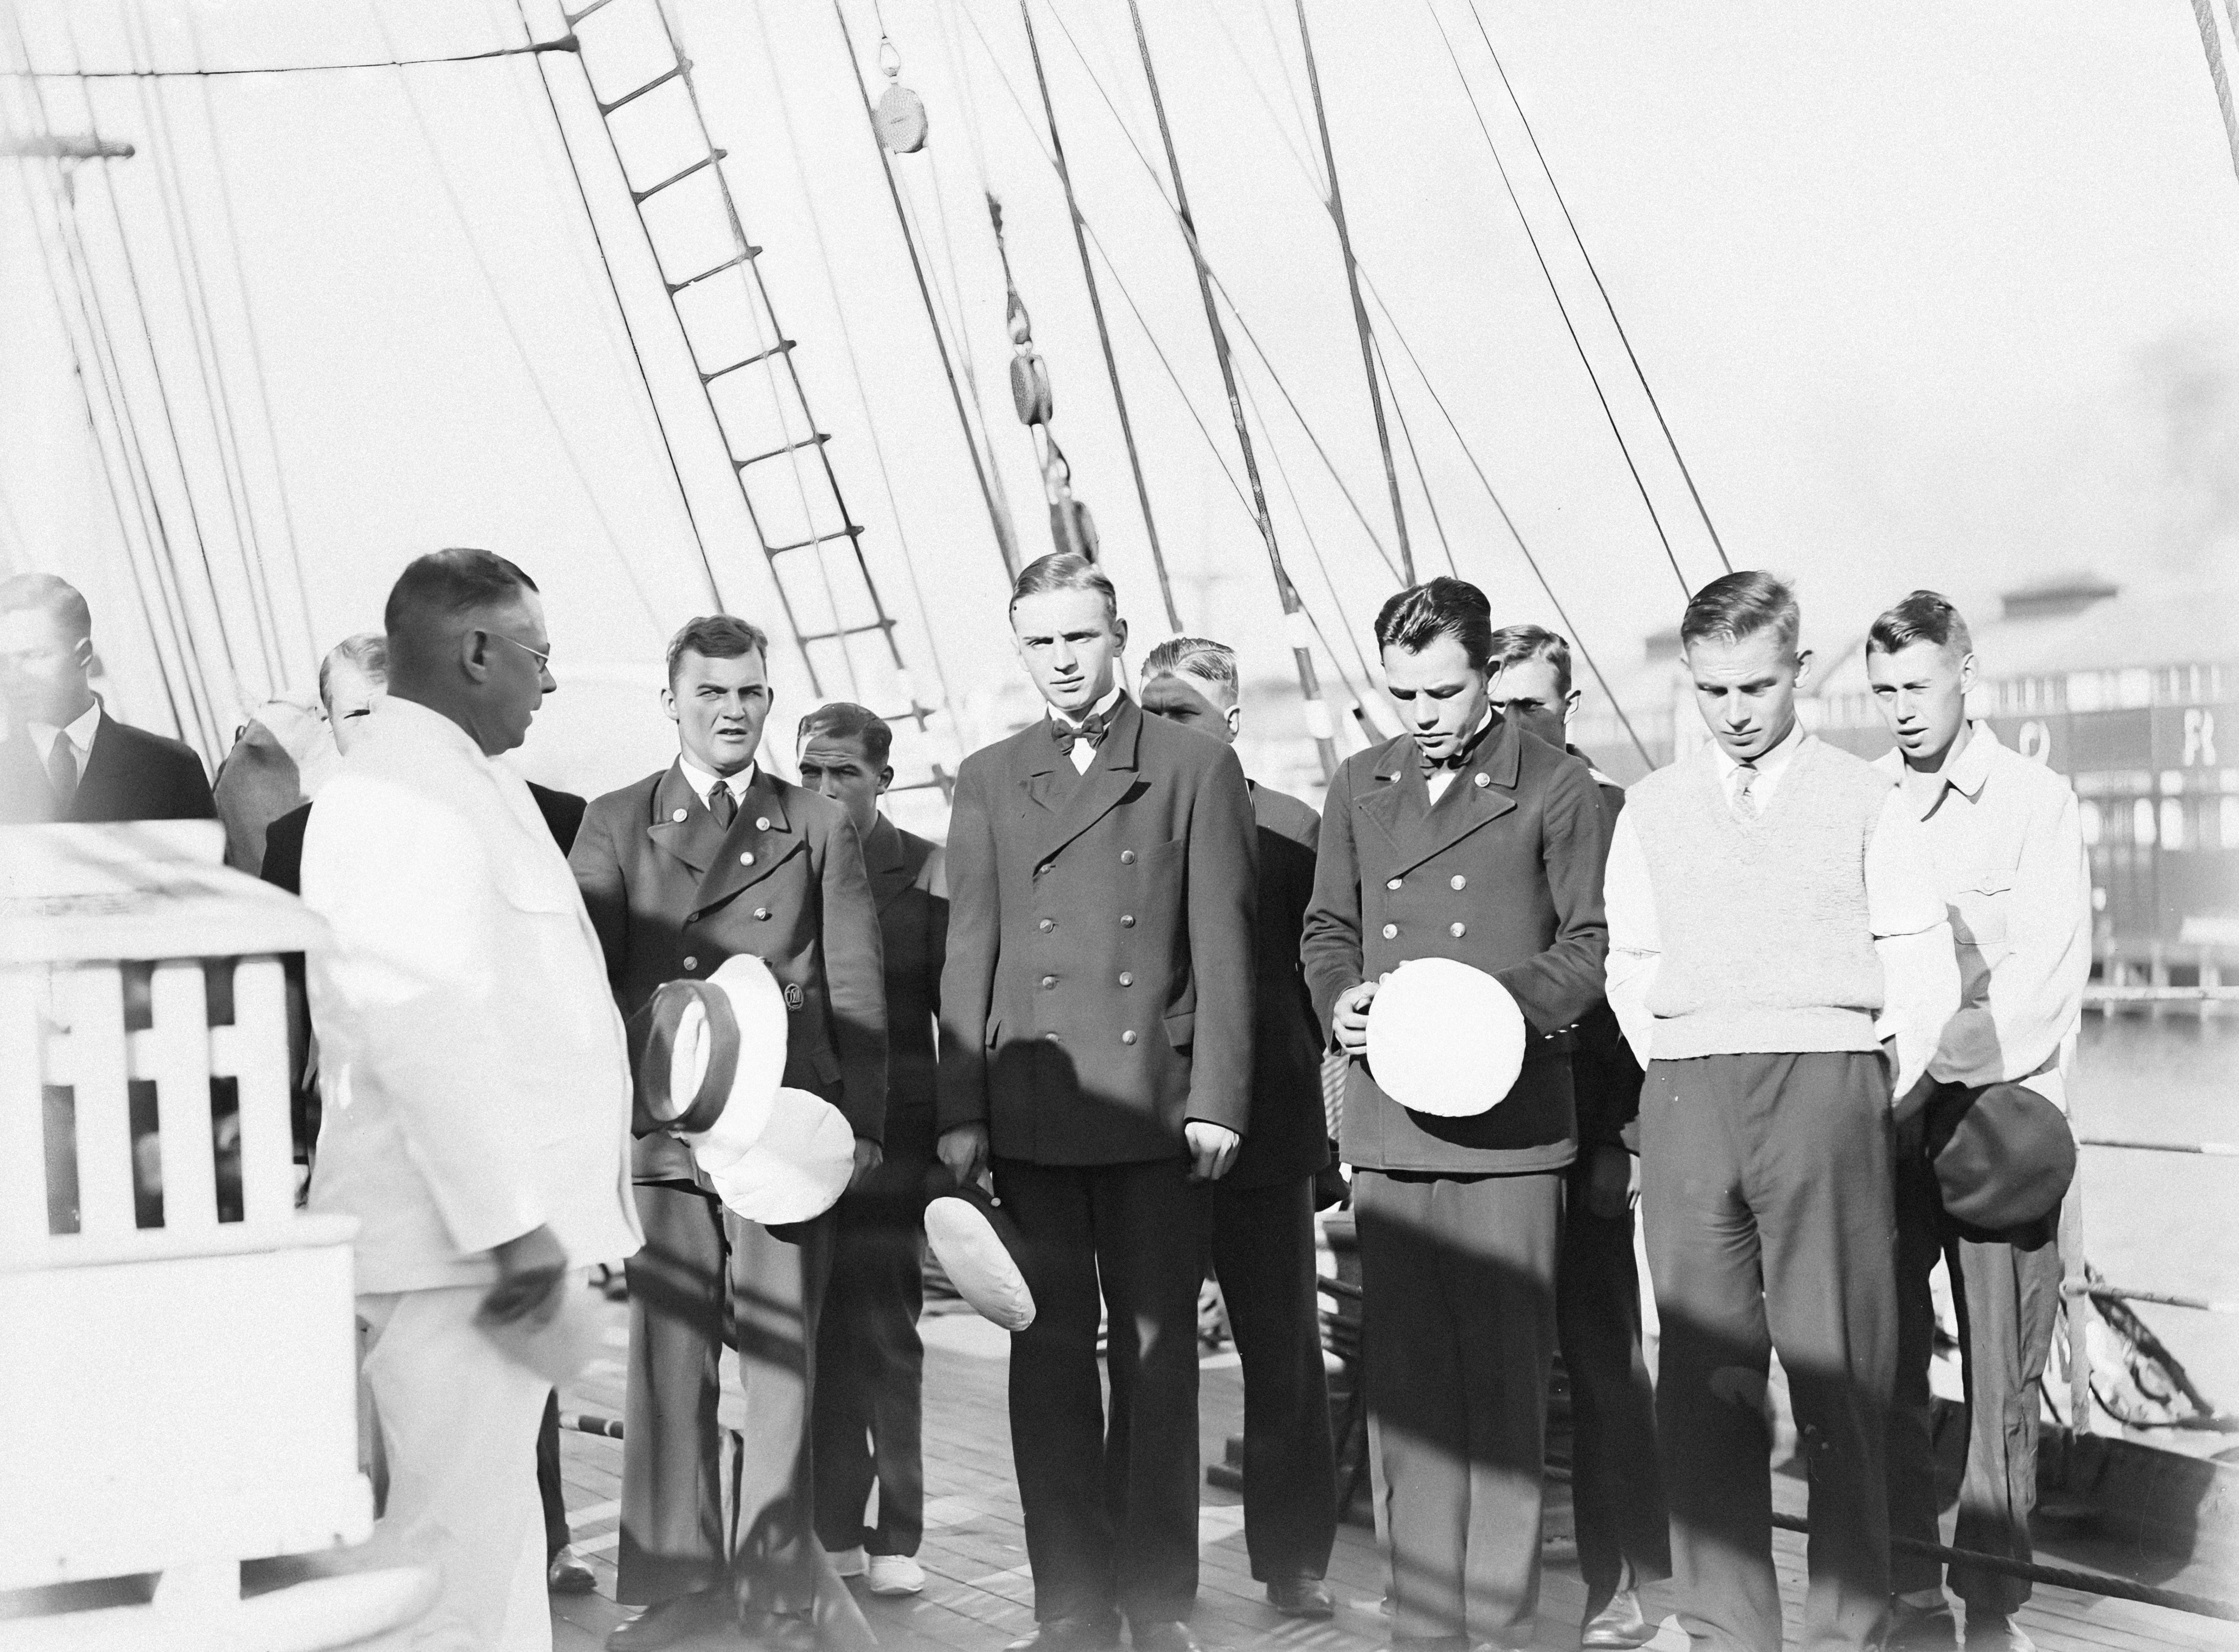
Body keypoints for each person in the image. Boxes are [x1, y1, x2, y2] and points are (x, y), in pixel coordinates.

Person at [1603, 571, 1959, 1652]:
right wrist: (1679, 1061)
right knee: (1703, 1374)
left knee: (1841, 1370)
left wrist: (1862, 1088)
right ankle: (1727, 1627)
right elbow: (1633, 961)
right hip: (1689, 1087)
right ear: (1690, 681)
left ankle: (1855, 1626)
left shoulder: (1865, 797)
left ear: (1800, 669)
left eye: (1758, 684)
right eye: (1713, 689)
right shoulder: (1651, 806)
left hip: (1829, 1083)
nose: (1737, 710)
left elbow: (1920, 960)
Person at [301, 548, 640, 1652]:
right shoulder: (399, 792)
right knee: (446, 1562)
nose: (549, 684)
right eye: (538, 656)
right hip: (463, 1247)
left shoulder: (458, 776)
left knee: (491, 1557)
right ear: (476, 649)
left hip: (490, 1244)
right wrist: (511, 1228)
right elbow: (423, 1026)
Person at [937, 552, 1256, 1652]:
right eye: (1040, 641)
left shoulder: (1187, 767)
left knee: (1161, 1358)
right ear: (1018, 645)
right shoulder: (987, 776)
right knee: (1050, 1356)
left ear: (1117, 632)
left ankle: (1158, 1597)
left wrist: (1218, 1095)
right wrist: (960, 1108)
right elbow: (967, 953)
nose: (1062, 661)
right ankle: (1069, 1596)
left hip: (1155, 1109)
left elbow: (1222, 948)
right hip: (1034, 1109)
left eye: (1080, 636)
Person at [1302, 577, 1610, 1652]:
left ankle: (1504, 1623)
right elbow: (1327, 927)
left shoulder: (1557, 786)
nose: (1422, 714)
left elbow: (1587, 950)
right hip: (1392, 1122)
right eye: (1402, 694)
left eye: (1443, 690)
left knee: (1506, 1395)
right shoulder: (1359, 783)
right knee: (1410, 1391)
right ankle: (1424, 1622)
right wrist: (1337, 996)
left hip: (1510, 1127)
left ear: (1485, 673)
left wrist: (1481, 1013)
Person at [571, 614, 887, 1652]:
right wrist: (664, 1070)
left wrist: (865, 1123)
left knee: (785, 1364)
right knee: (669, 1360)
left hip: (786, 1129)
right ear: (672, 701)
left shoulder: (816, 823)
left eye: (751, 693)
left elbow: (856, 986)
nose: (734, 712)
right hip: (668, 1128)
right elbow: (587, 991)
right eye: (712, 693)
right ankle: (676, 1589)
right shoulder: (617, 822)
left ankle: (779, 1595)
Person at [262, 631, 599, 1597]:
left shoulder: (551, 820)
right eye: (354, 717)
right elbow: (300, 1012)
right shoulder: (297, 840)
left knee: (489, 1471)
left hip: (508, 1168)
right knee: (427, 1464)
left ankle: (539, 1550)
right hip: (381, 1173)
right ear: (329, 725)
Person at [1865, 592, 2090, 1652]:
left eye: (1917, 685)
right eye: (1882, 692)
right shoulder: (1862, 802)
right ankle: (1910, 1590)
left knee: (2003, 1377)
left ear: (1968, 674)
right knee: (1888, 1360)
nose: (1901, 710)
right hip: (1890, 1127)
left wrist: (1918, 1052)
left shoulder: (2035, 803)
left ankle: (1993, 1608)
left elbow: (2040, 986)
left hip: (1996, 1121)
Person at [1138, 635, 1338, 1622]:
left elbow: (1322, 983)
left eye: (1182, 714)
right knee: (1153, 1358)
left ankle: (1295, 1559)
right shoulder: (1121, 815)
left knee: (1284, 1356)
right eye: (1153, 712)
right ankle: (1158, 1575)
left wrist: (1324, 1141)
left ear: (1230, 719)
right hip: (1149, 1131)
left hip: (1270, 1132)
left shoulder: (1295, 828)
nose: (1163, 731)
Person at [1486, 624, 1671, 1649]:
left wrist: (1622, 1140)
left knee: (1605, 1367)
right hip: (1485, 1139)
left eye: (1533, 706)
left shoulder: (1615, 814)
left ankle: (1624, 1578)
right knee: (1498, 1366)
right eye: (1498, 705)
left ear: (1569, 708)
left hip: (1586, 1130)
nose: (1515, 725)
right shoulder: (1474, 814)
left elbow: (1635, 990)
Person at [798, 702, 947, 1601]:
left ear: (883, 779)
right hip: (800, 1134)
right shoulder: (782, 858)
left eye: (842, 772)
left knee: (885, 1332)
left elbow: (957, 1011)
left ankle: (898, 1529)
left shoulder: (926, 871)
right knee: (814, 1333)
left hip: (896, 1136)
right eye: (810, 771)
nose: (822, 789)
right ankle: (831, 1520)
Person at [0, 571, 215, 823]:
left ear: (83, 655)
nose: (13, 677)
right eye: (3, 663)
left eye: (33, 656)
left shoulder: (172, 767)